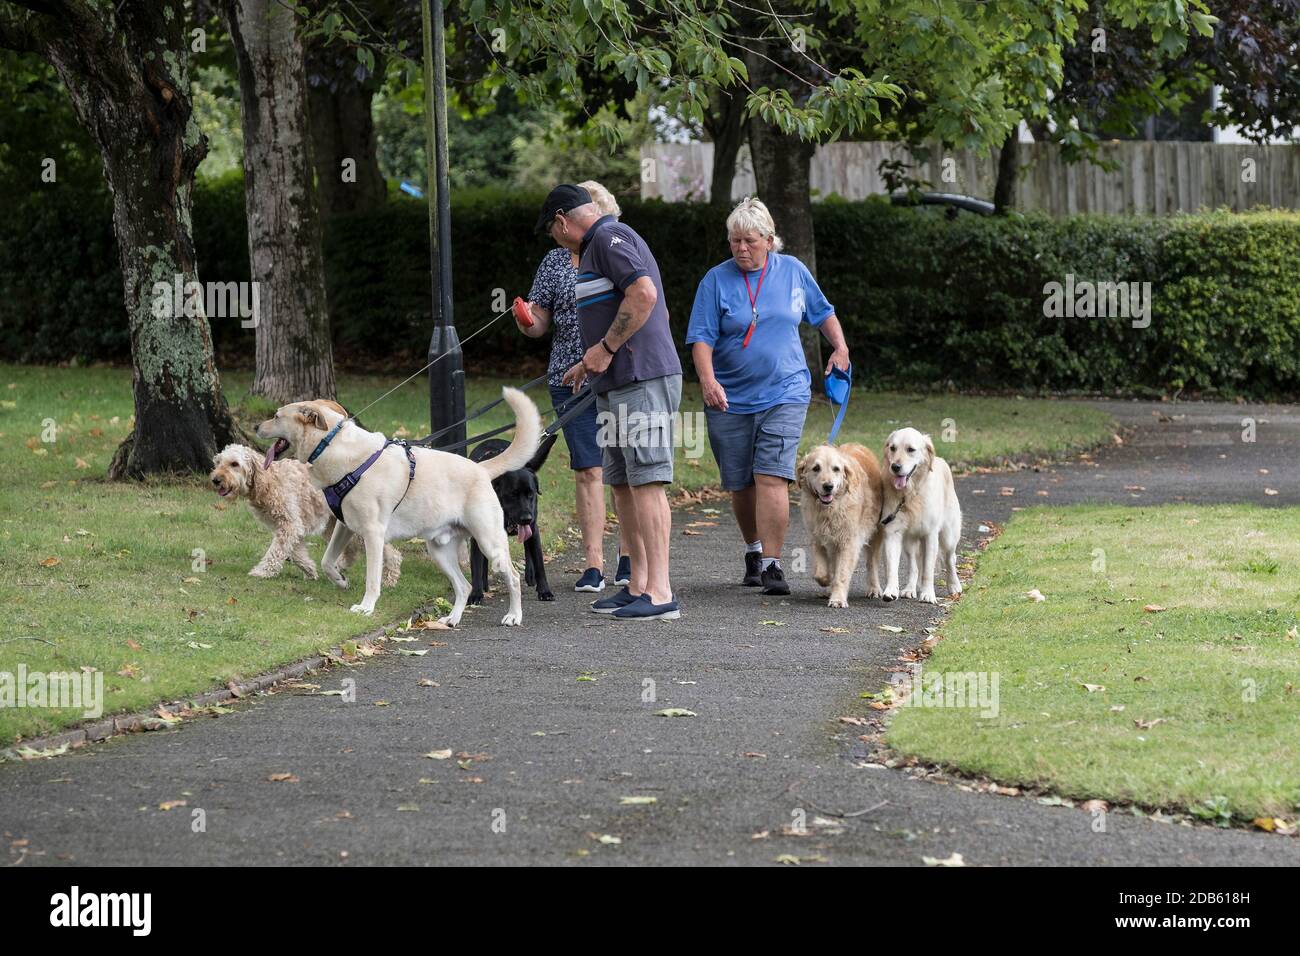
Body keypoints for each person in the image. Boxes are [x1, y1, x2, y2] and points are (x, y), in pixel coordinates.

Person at [685, 197, 851, 596]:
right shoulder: (715, 280)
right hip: (729, 397)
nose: (741, 248)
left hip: (785, 390)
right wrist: (708, 382)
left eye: (750, 240)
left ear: (770, 240)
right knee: (741, 482)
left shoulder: (792, 272)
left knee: (772, 475)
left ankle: (774, 566)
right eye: (734, 241)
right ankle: (754, 551)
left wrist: (840, 348)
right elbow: (701, 338)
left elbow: (823, 312)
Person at [537, 183, 682, 621]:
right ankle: (637, 584)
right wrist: (589, 362)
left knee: (648, 480)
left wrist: (605, 348)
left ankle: (660, 593)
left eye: (553, 233)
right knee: (622, 481)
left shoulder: (607, 238)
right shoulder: (597, 246)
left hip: (641, 377)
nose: (556, 243)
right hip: (615, 380)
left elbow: (644, 295)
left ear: (562, 221)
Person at [517, 181, 631, 593]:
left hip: (616, 372)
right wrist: (528, 320)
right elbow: (541, 321)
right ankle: (593, 564)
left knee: (624, 468)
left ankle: (629, 556)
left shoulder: (616, 249)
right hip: (568, 376)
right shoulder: (553, 262)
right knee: (588, 468)